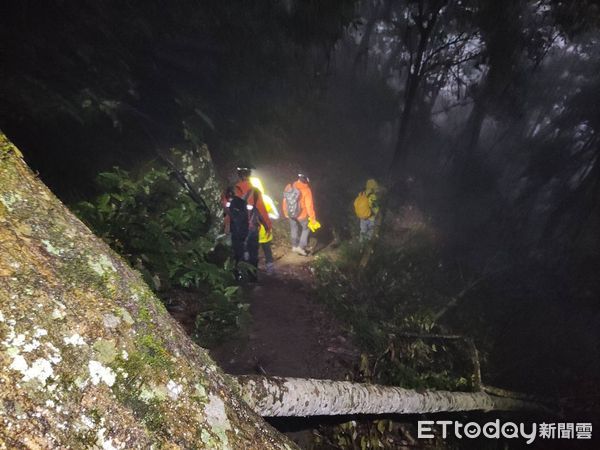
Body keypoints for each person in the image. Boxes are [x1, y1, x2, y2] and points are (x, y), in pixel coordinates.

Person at [224, 164, 272, 280]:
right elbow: (262, 211)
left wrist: (227, 225)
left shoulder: (230, 191)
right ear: (249, 175)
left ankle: (238, 276)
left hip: (236, 227)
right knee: (252, 252)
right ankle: (252, 276)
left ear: (238, 175)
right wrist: (267, 226)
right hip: (251, 227)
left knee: (237, 252)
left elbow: (225, 208)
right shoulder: (255, 192)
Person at [282, 172, 320, 256]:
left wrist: (285, 212)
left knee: (293, 228)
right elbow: (309, 205)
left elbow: (285, 200)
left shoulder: (289, 186)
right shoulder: (306, 190)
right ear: (306, 180)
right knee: (306, 228)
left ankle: (294, 246)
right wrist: (313, 219)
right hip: (302, 215)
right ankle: (301, 247)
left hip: (290, 213)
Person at [250, 176, 279, 274]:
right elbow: (277, 216)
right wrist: (267, 215)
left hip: (253, 231)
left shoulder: (246, 200)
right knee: (267, 251)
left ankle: (252, 271)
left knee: (252, 252)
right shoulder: (267, 199)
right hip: (265, 231)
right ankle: (270, 269)